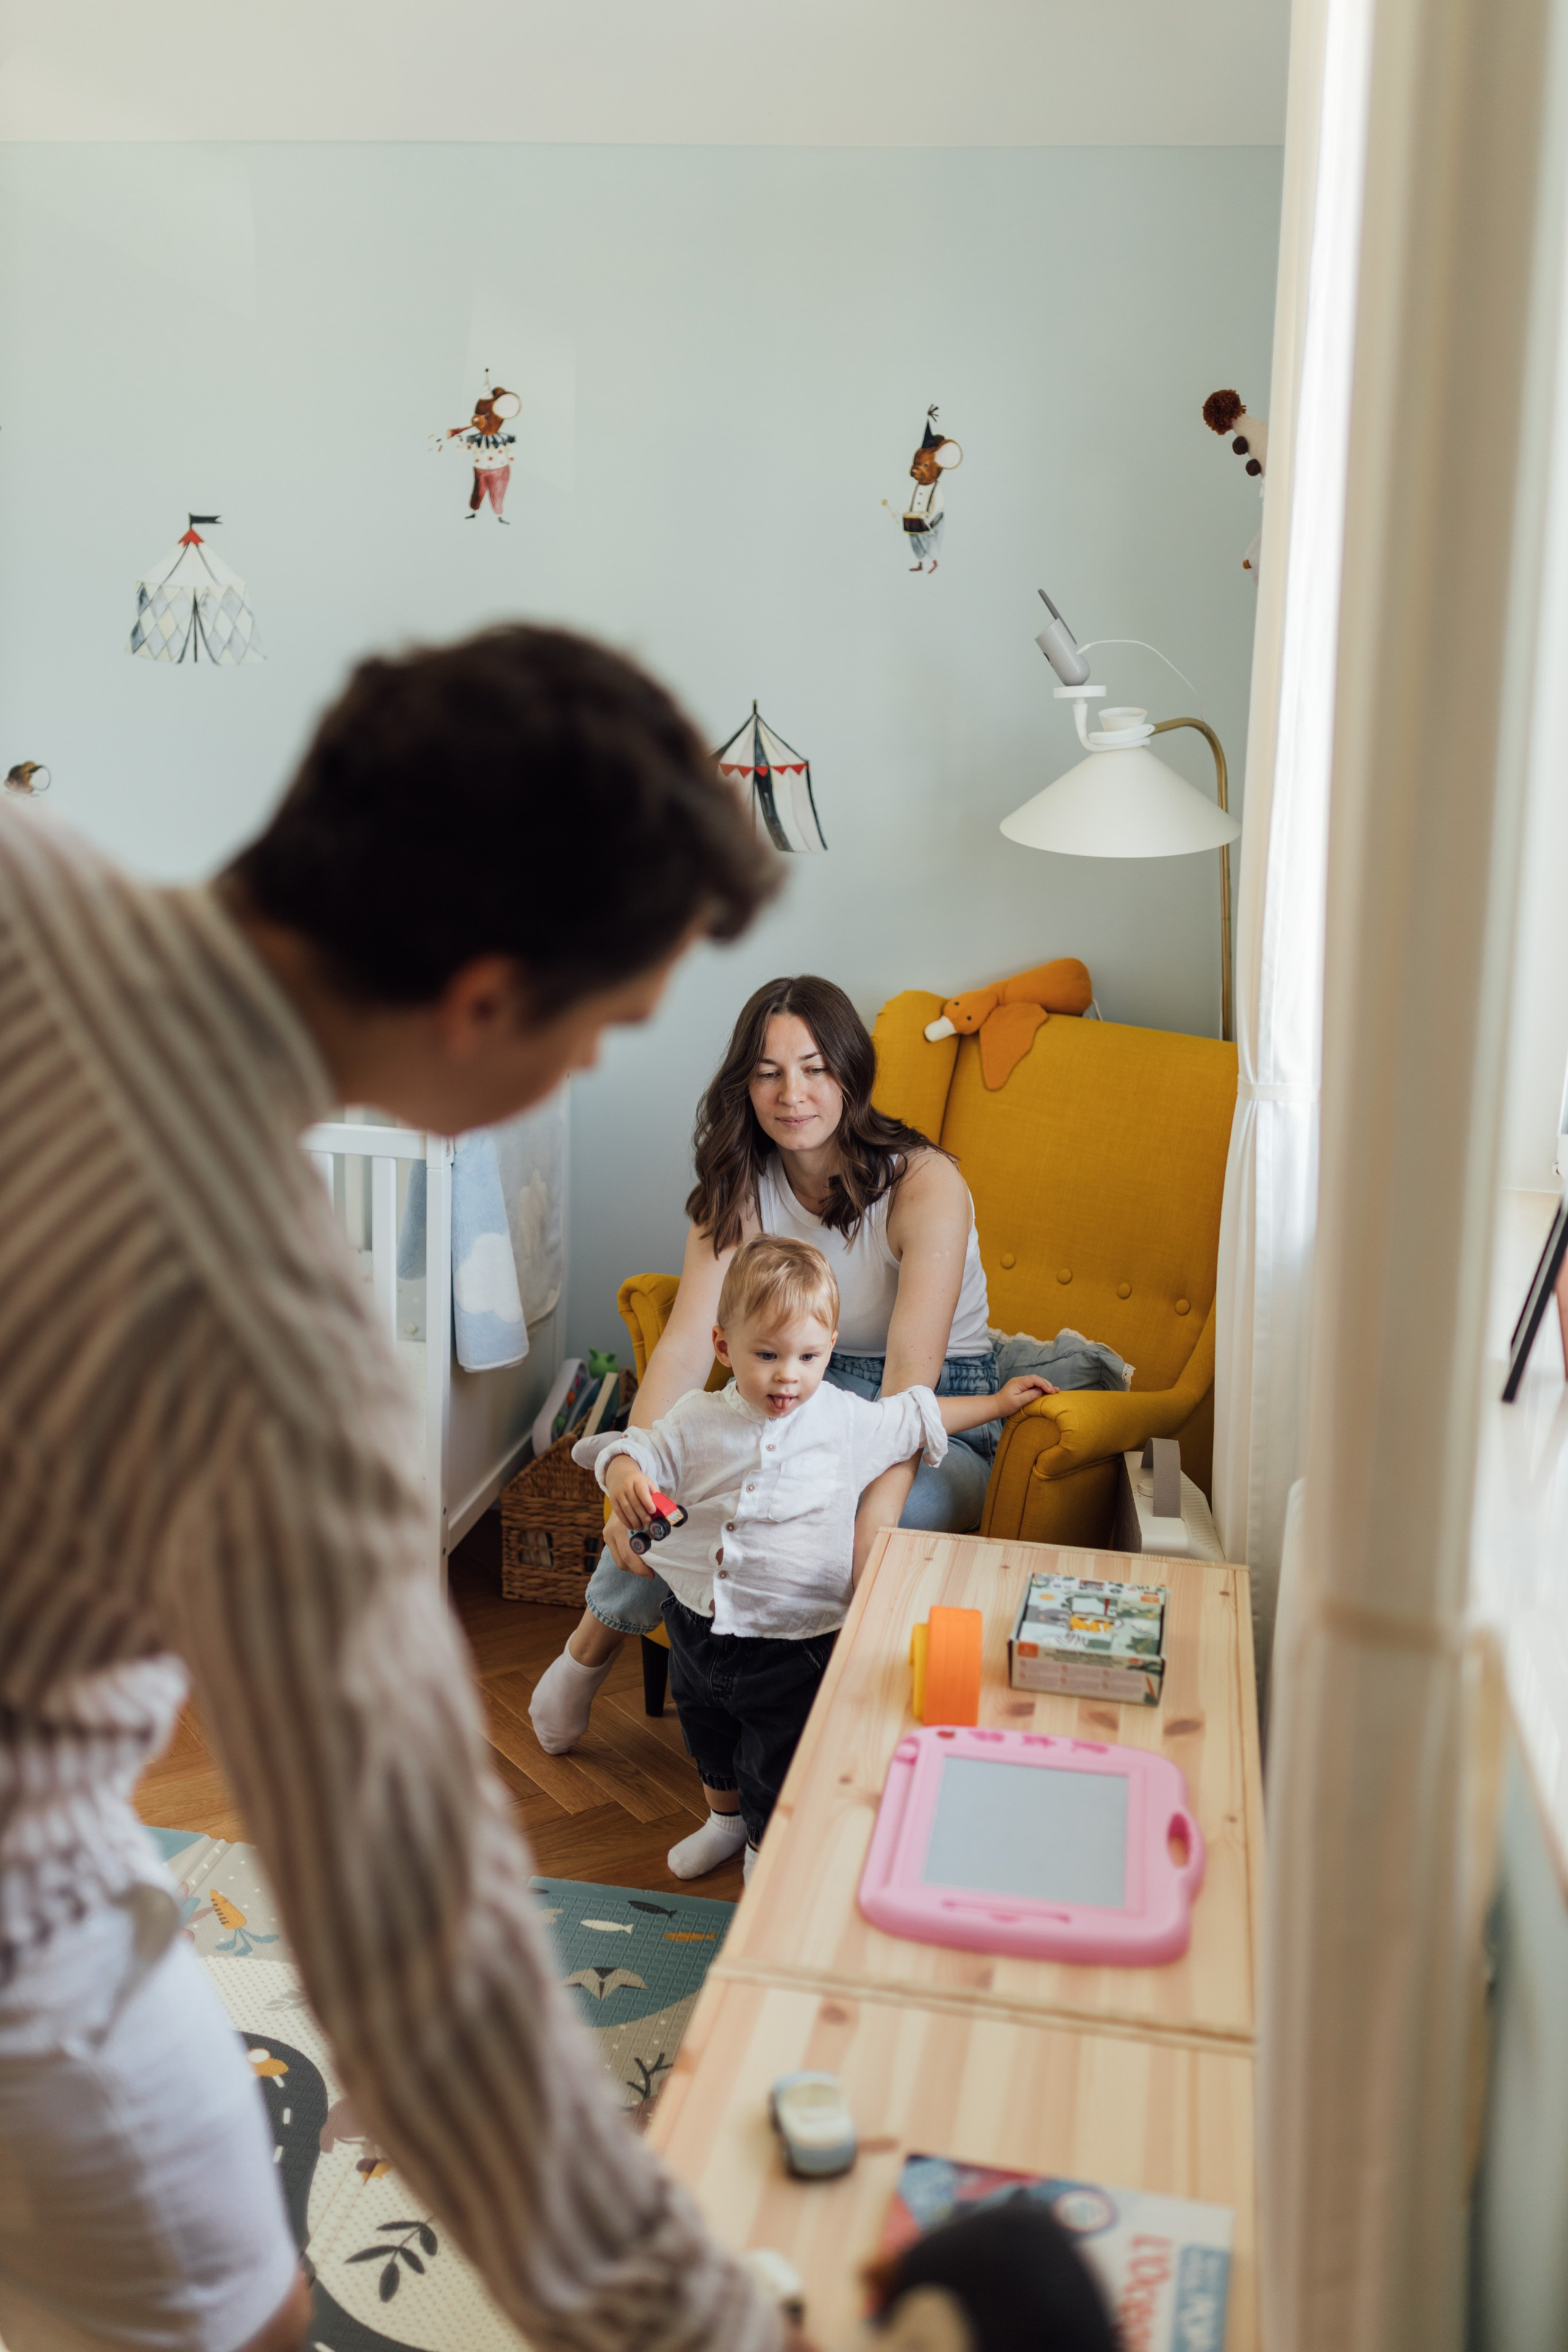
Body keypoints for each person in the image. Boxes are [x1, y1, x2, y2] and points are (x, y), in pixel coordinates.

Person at [0, 625, 790, 2352]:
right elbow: (417, 1961)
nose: (579, 1081)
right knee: (242, 2316)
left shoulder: (25, 867)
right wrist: (711, 2326)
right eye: (597, 1036)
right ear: (483, 998)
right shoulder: (270, 1341)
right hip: (23, 1910)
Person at [530, 973, 1016, 1757]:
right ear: (745, 1085)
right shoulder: (734, 1186)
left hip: (929, 1420)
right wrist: (639, 1470)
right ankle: (591, 1648)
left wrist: (871, 1526)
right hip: (790, 1391)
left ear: (851, 1072)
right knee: (690, 1492)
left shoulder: (926, 1185)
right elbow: (688, 1348)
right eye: (768, 1072)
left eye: (816, 1067)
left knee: (793, 1511)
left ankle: (805, 1730)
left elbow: (906, 1391)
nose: (793, 1093)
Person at [579, 1237, 1050, 1882]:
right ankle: (723, 1820)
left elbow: (918, 1415)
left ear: (829, 1349)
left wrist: (997, 1405)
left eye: (806, 1356)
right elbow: (634, 1449)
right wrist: (624, 1468)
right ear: (724, 1348)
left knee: (777, 1752)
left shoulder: (845, 1421)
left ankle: (765, 1847)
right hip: (697, 1621)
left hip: (796, 1635)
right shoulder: (698, 1420)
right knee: (706, 1732)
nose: (786, 1375)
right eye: (766, 1355)